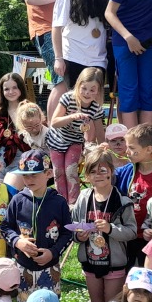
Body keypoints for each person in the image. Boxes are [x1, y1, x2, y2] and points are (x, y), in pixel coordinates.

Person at [72, 144, 136, 302]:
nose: (97, 175)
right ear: (87, 175)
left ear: (111, 172)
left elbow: (132, 231)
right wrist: (78, 235)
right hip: (90, 262)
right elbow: (74, 224)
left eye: (102, 170)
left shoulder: (122, 202)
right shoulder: (84, 198)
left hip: (115, 263)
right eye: (92, 172)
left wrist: (110, 229)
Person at [0, 149, 72, 302]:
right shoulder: (17, 200)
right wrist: (17, 242)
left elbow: (68, 233)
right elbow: (5, 227)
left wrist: (53, 252)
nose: (29, 179)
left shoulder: (59, 202)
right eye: (25, 175)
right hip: (23, 267)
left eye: (34, 175)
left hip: (50, 267)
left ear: (48, 173)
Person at [46, 66, 106, 204]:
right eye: (84, 88)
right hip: (57, 140)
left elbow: (99, 131)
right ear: (78, 85)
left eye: (92, 90)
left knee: (71, 172)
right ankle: (61, 202)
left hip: (75, 141)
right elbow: (54, 122)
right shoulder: (67, 98)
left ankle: (74, 203)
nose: (87, 93)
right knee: (58, 173)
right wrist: (71, 117)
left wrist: (102, 145)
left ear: (98, 91)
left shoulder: (95, 108)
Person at [51, 0, 108, 91]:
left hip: (98, 59)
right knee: (75, 98)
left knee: (95, 98)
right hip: (74, 56)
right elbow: (56, 27)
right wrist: (58, 58)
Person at [113, 123, 152, 266]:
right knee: (128, 271)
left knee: (147, 271)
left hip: (150, 235)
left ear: (148, 149)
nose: (127, 151)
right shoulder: (125, 171)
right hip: (127, 233)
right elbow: (107, 176)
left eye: (132, 148)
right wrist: (103, 156)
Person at [0, 73, 35, 175]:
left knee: (11, 184)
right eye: (6, 89)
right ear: (2, 91)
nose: (11, 92)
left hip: (23, 157)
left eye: (14, 88)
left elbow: (39, 136)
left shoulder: (31, 110)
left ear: (21, 88)